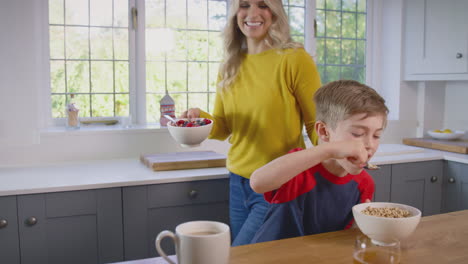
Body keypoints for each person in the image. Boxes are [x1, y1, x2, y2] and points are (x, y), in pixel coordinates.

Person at [180, 0, 321, 246]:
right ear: (236, 13)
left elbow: (317, 123)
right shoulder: (229, 65)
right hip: (237, 181)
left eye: (263, 5)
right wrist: (198, 118)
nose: (252, 13)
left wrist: (335, 164)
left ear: (275, 12)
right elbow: (224, 127)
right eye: (244, 5)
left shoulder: (294, 59)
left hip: (277, 183)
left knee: (238, 257)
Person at [249, 80, 389, 243]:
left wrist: (365, 224)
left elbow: (348, 237)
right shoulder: (299, 167)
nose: (369, 145)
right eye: (357, 133)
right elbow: (258, 182)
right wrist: (329, 150)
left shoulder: (364, 184)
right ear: (324, 131)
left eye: (377, 135)